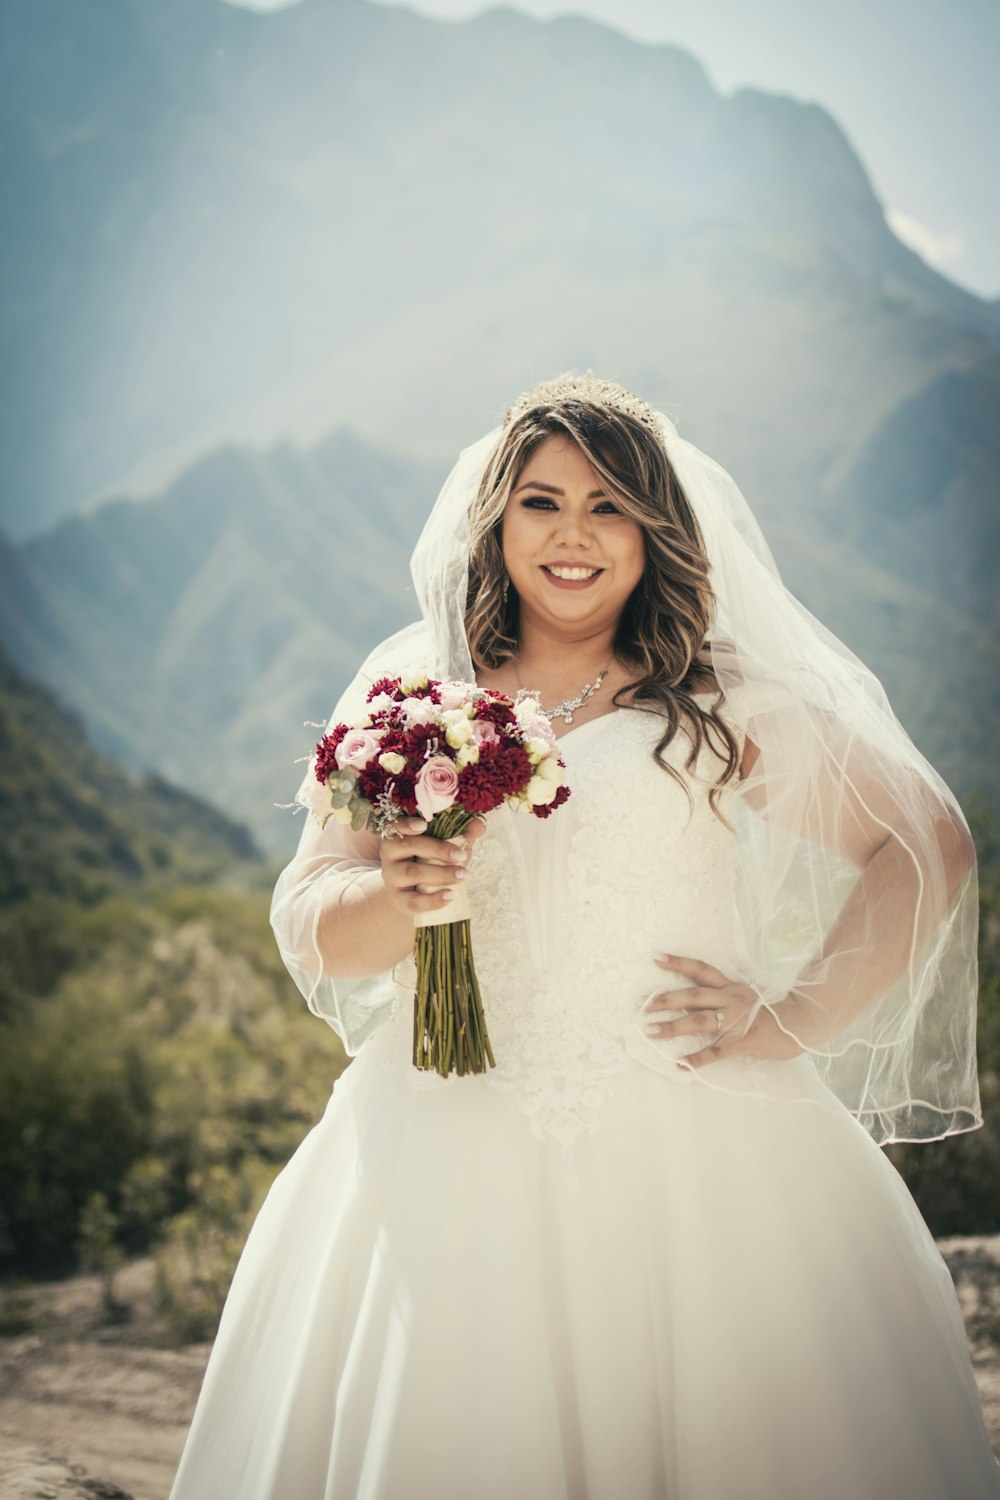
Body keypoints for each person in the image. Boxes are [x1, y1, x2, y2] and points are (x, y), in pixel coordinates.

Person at [168, 372, 1000, 1499]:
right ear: (495, 522)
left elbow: (927, 843)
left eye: (608, 506)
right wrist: (397, 896)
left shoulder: (713, 694)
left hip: (695, 1137)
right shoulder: (415, 687)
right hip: (439, 1131)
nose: (573, 535)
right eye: (541, 503)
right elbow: (318, 928)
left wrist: (791, 1015)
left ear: (654, 530)